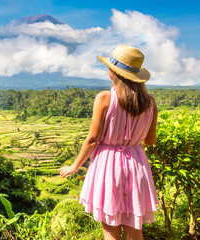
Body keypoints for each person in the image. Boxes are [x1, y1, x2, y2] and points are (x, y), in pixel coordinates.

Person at [58, 45, 158, 240]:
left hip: (108, 166)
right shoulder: (151, 103)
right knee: (135, 231)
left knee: (110, 231)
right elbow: (150, 141)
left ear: (113, 72)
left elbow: (93, 139)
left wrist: (75, 165)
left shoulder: (105, 98)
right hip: (137, 166)